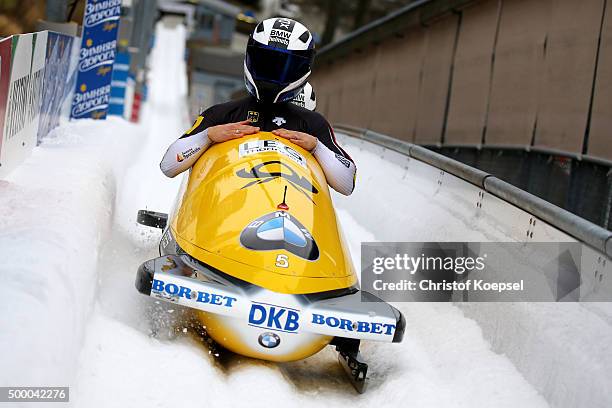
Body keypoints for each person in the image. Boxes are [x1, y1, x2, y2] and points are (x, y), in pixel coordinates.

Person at [160, 17, 356, 195]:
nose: (273, 73)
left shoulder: (312, 124)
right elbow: (169, 165)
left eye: (282, 67)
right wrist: (207, 136)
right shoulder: (221, 114)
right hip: (224, 205)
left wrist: (316, 147)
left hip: (287, 204)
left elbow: (347, 184)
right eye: (266, 63)